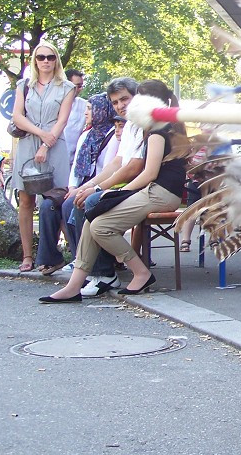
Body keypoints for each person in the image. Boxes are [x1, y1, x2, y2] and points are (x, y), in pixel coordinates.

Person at [40, 80, 186, 303]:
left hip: (162, 193)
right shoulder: (156, 127)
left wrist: (114, 193)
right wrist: (100, 189)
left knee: (100, 225)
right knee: (93, 218)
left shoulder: (159, 130)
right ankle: (74, 285)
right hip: (155, 191)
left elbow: (149, 173)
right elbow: (127, 166)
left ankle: (140, 273)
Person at [70, 78, 145, 295]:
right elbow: (117, 162)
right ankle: (90, 272)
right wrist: (89, 185)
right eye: (115, 102)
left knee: (91, 202)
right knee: (78, 200)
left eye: (124, 99)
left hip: (140, 186)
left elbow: (134, 167)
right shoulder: (129, 125)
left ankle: (105, 274)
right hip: (127, 184)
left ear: (137, 97)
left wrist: (97, 189)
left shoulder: (142, 124)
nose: (120, 105)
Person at [33, 93, 118, 275]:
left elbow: (107, 171)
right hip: (80, 184)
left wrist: (80, 190)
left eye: (90, 109)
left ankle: (80, 259)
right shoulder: (86, 135)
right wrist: (72, 187)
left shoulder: (113, 135)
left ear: (101, 110)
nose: (86, 113)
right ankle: (50, 259)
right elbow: (76, 169)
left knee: (70, 205)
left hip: (99, 185)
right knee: (48, 206)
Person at [10, 42, 76, 273]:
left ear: (56, 60)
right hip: (29, 142)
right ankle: (28, 255)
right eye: (41, 57)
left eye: (50, 57)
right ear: (34, 61)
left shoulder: (66, 87)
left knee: (57, 200)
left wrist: (47, 143)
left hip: (55, 144)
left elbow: (62, 119)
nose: (45, 61)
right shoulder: (24, 86)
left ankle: (69, 253)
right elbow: (18, 116)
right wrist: (40, 135)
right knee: (26, 199)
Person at [64, 69, 88, 162]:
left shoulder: (84, 105)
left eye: (81, 86)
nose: (80, 89)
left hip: (72, 160)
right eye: (77, 86)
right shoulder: (53, 104)